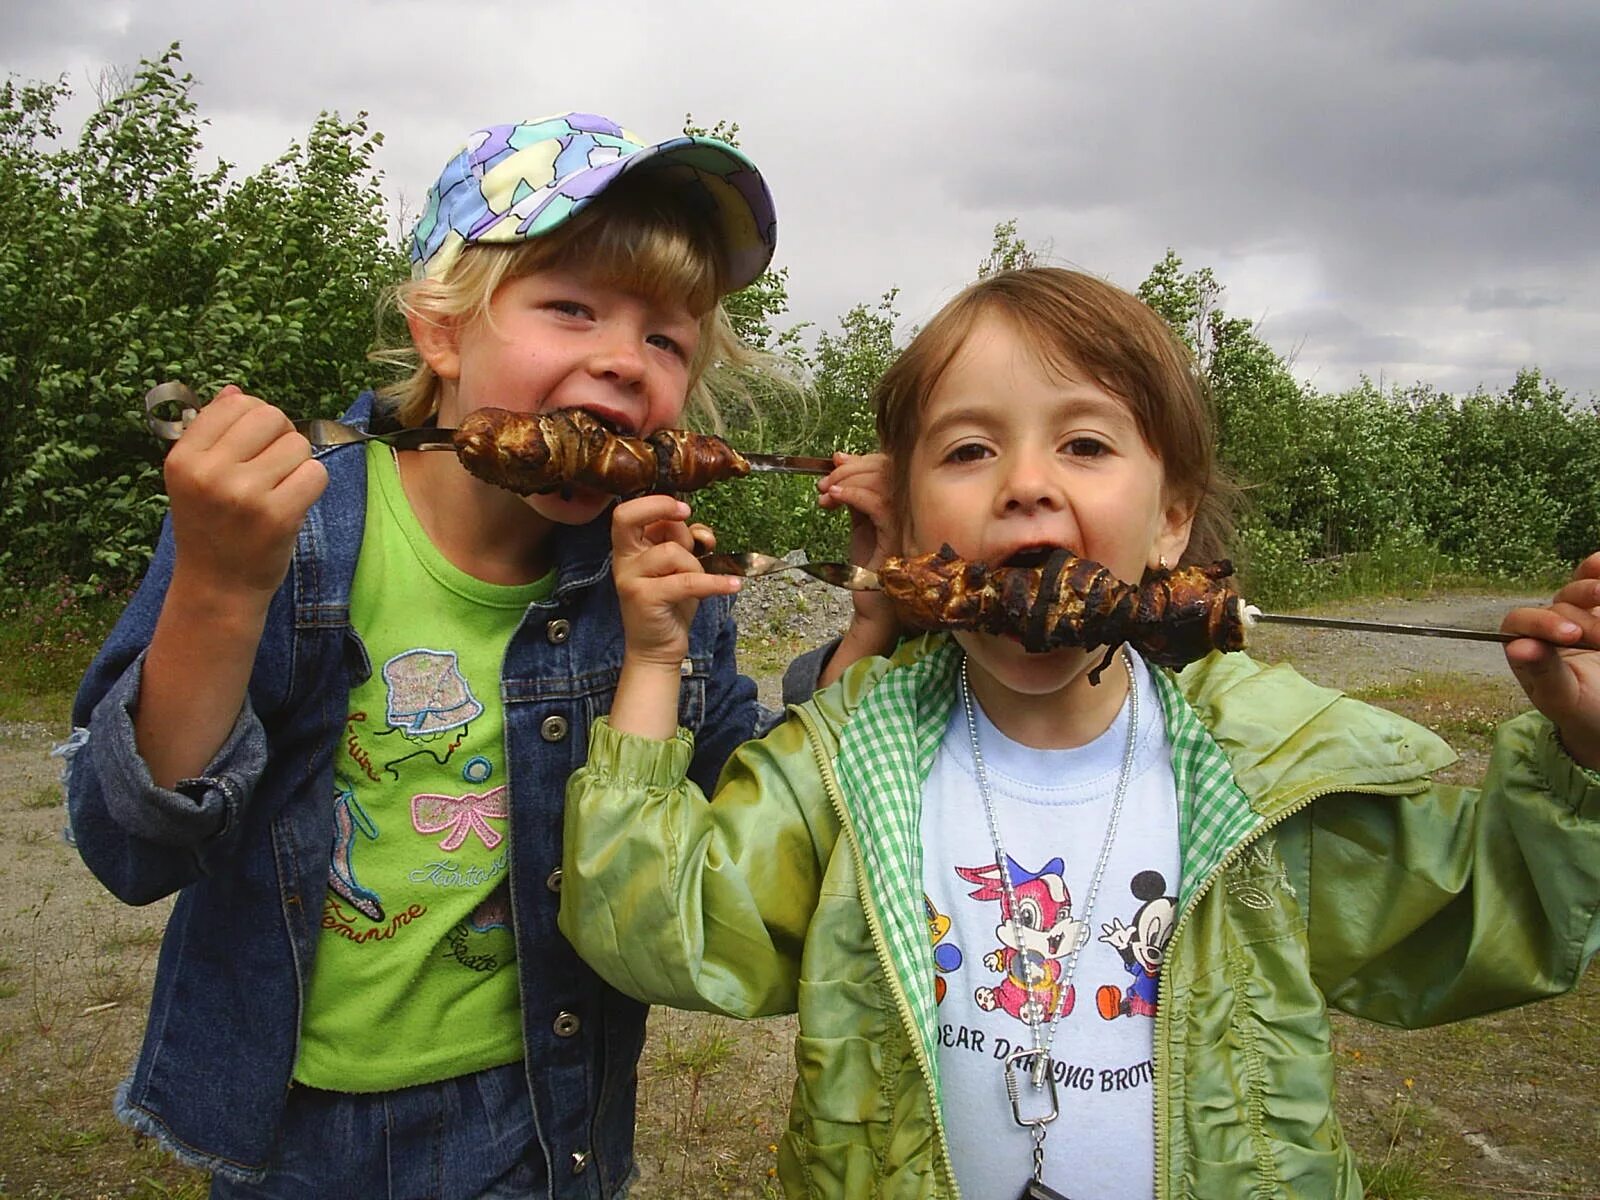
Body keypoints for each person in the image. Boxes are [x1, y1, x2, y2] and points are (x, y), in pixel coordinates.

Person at [558, 266, 1600, 1199]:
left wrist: (1585, 754)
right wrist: (654, 663)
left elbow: (1495, 919)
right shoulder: (846, 762)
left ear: (1171, 521)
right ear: (914, 535)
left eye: (1086, 444)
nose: (1025, 482)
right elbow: (655, 928)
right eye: (967, 449)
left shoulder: (1264, 769)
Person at [61, 112, 892, 1199]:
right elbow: (133, 850)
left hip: (547, 1115)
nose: (620, 360)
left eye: (666, 339)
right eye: (571, 307)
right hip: (302, 1135)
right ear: (441, 333)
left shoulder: (660, 564)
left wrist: (878, 609)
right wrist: (220, 585)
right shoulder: (294, 536)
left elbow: (741, 811)